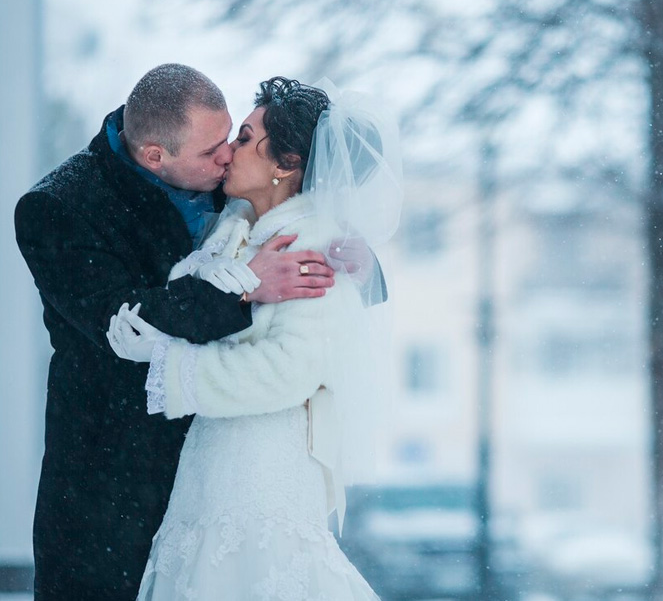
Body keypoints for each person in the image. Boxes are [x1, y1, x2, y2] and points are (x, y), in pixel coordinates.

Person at [13, 64, 337, 600]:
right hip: (109, 478)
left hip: (223, 469)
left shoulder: (228, 184)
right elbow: (122, 319)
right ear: (155, 156)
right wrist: (244, 288)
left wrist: (357, 255)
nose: (228, 155)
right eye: (213, 151)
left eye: (233, 136)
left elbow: (307, 210)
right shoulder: (57, 209)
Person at [107, 76, 401, 599]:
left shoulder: (312, 247)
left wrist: (170, 366)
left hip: (262, 473)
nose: (228, 153)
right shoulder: (237, 231)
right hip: (215, 465)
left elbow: (288, 371)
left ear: (285, 165)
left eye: (243, 138)